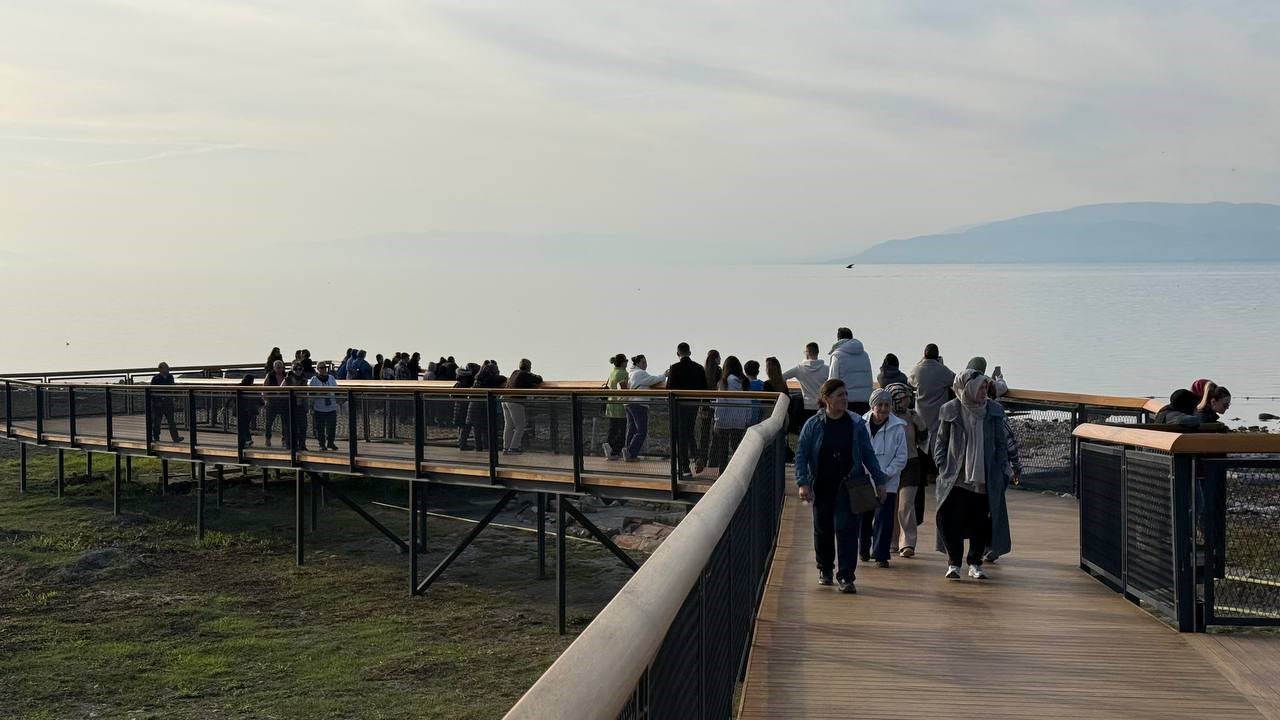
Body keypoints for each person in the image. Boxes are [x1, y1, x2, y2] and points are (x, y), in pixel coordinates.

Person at [795, 378, 889, 595]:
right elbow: (801, 455)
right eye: (840, 395)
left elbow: (868, 454)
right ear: (826, 399)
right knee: (823, 529)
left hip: (849, 485)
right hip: (823, 484)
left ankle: (846, 576)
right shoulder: (813, 424)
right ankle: (825, 569)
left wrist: (880, 481)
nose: (845, 399)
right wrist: (803, 483)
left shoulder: (856, 424)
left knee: (847, 531)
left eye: (846, 395)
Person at [933, 369, 1009, 580]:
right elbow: (940, 441)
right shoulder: (951, 409)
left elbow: (1001, 444)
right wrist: (942, 466)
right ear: (968, 389)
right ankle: (953, 562)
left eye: (986, 387)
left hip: (985, 477)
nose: (985, 391)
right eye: (981, 387)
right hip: (956, 477)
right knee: (950, 520)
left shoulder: (993, 410)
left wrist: (1001, 468)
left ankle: (975, 562)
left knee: (980, 522)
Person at [862, 389, 908, 567]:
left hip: (888, 480)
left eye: (887, 405)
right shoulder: (860, 424)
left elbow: (901, 456)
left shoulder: (898, 427)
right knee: (864, 517)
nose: (883, 408)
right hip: (864, 479)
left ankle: (881, 555)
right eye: (879, 405)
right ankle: (864, 549)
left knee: (884, 517)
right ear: (872, 405)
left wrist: (886, 472)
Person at [886, 383, 927, 558]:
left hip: (911, 464)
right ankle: (892, 542)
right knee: (891, 505)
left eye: (909, 398)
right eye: (904, 399)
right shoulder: (884, 416)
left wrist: (921, 425)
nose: (908, 402)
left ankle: (907, 543)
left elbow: (924, 441)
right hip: (891, 466)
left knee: (906, 505)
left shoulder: (912, 416)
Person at [665, 342, 708, 477]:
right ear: (689, 353)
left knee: (680, 435)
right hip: (693, 404)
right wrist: (704, 405)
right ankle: (696, 456)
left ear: (678, 354)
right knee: (689, 431)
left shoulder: (675, 368)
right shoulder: (699, 368)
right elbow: (704, 389)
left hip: (678, 405)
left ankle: (685, 468)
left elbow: (669, 389)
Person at [909, 344, 955, 453]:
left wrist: (920, 362)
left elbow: (910, 381)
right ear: (937, 356)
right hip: (937, 413)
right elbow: (955, 380)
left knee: (921, 439)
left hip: (921, 412)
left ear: (924, 355)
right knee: (937, 441)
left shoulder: (917, 369)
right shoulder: (943, 370)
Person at [709, 356, 751, 472]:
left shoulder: (724, 382)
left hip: (725, 421)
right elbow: (749, 402)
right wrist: (747, 419)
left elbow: (720, 402)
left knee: (723, 450)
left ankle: (723, 473)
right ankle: (740, 472)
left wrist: (717, 420)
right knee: (737, 448)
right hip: (740, 421)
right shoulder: (745, 382)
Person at [624, 354, 666, 462]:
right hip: (639, 403)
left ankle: (627, 451)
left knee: (632, 429)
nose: (645, 364)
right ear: (637, 363)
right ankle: (631, 452)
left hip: (629, 403)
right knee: (641, 431)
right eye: (643, 362)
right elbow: (652, 380)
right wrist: (664, 375)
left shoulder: (632, 373)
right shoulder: (640, 373)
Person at [783, 342, 829, 431]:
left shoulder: (799, 368)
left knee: (808, 431)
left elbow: (782, 377)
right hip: (822, 406)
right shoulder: (827, 369)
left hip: (806, 406)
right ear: (817, 352)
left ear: (807, 353)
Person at [828, 327, 874, 414]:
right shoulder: (864, 354)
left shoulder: (837, 355)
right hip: (865, 400)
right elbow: (869, 377)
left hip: (845, 400)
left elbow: (832, 381)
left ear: (838, 339)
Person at [503, 358, 543, 454]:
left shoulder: (515, 372)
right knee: (520, 426)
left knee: (508, 425)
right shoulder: (525, 374)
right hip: (515, 401)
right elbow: (539, 379)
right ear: (528, 367)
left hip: (504, 399)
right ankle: (513, 448)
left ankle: (506, 448)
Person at [694, 350, 722, 473]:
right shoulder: (720, 371)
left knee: (704, 436)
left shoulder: (703, 371)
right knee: (716, 435)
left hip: (705, 405)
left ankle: (702, 460)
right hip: (716, 405)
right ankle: (713, 460)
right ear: (716, 359)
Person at [603, 354, 630, 460]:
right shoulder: (624, 373)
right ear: (623, 362)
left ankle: (609, 447)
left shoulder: (612, 372)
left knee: (612, 429)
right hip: (620, 405)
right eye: (626, 360)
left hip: (611, 404)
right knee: (622, 430)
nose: (627, 362)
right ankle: (615, 452)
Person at [309, 361, 340, 451]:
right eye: (321, 368)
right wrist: (320, 392)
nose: (323, 369)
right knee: (320, 428)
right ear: (317, 369)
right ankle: (322, 444)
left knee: (332, 426)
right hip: (319, 407)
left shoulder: (331, 378)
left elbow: (336, 390)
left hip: (331, 406)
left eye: (324, 368)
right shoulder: (314, 379)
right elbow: (311, 394)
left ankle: (331, 442)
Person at [149, 362, 183, 442]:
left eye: (167, 368)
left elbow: (172, 387)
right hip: (158, 403)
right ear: (160, 369)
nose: (168, 369)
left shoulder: (170, 377)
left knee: (171, 421)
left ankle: (175, 437)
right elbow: (151, 391)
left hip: (168, 402)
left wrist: (176, 396)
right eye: (165, 368)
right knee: (157, 422)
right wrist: (156, 402)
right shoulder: (156, 378)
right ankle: (156, 437)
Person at [282, 360, 311, 451]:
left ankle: (302, 444)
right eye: (296, 369)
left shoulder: (304, 379)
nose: (298, 371)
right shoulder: (288, 379)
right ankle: (291, 445)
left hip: (301, 406)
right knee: (291, 426)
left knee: (303, 426)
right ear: (292, 370)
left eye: (300, 369)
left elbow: (306, 394)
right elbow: (281, 390)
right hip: (290, 406)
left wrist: (307, 406)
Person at [262, 359, 288, 447]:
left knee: (285, 422)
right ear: (274, 367)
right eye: (277, 367)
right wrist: (265, 399)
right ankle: (268, 438)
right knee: (269, 422)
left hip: (284, 402)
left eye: (281, 367)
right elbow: (264, 388)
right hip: (272, 402)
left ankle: (284, 439)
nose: (279, 369)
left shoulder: (286, 375)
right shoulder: (270, 375)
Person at [236, 374, 261, 448]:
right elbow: (257, 397)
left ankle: (245, 441)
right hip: (247, 410)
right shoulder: (250, 388)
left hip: (240, 409)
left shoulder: (238, 386)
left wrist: (226, 405)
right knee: (245, 426)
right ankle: (247, 440)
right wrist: (262, 403)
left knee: (242, 426)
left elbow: (231, 397)